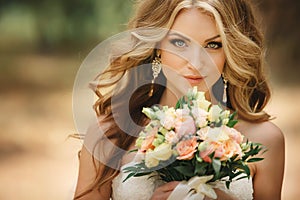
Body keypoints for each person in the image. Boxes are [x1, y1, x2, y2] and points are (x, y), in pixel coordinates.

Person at [74, 0, 285, 199]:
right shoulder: (109, 134)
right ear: (157, 47)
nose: (195, 62)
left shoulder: (266, 140)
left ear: (231, 53)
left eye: (213, 45)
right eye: (179, 42)